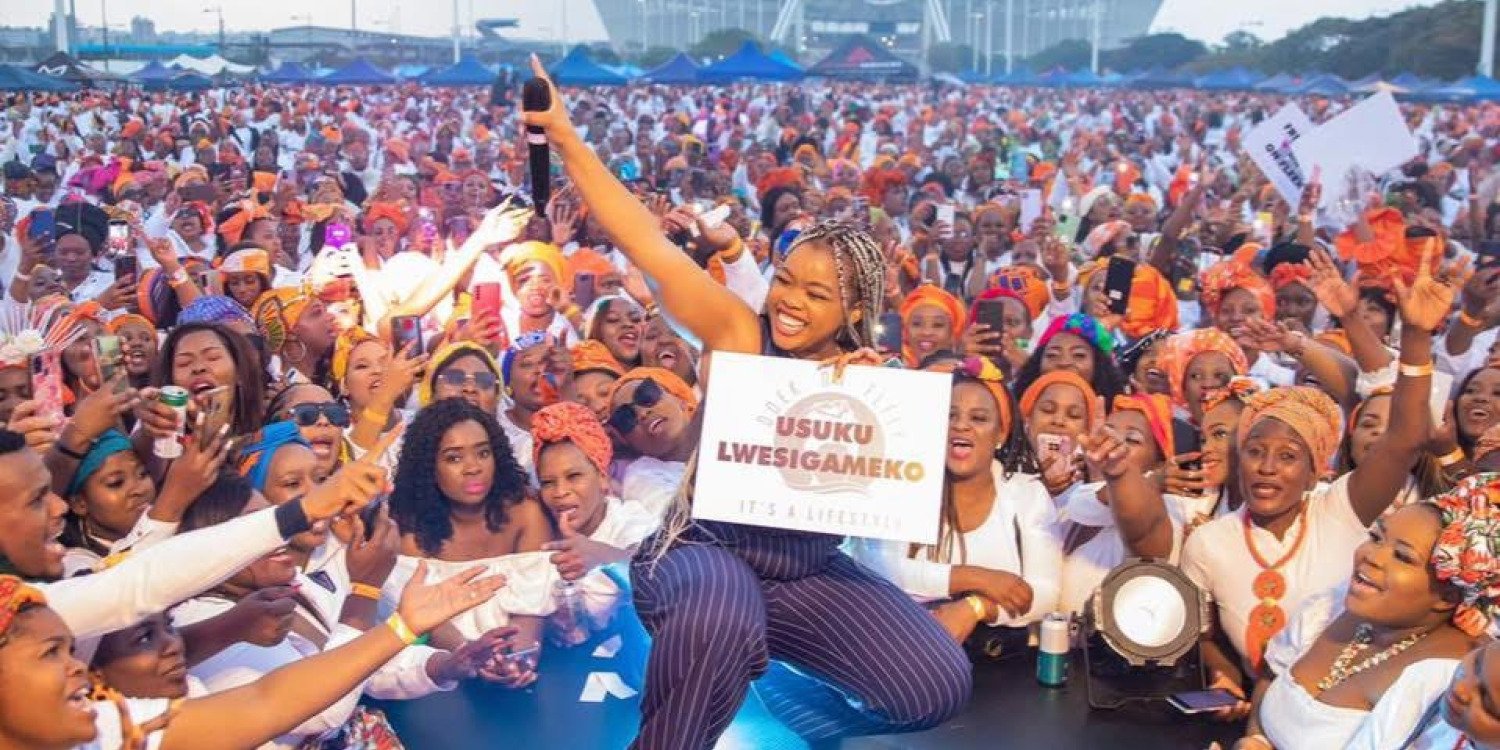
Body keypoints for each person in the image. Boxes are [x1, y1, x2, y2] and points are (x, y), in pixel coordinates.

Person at [523, 56, 970, 749]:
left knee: (936, 683)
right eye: (786, 279)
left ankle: (784, 697)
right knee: (722, 620)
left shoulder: (873, 380)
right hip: (701, 552)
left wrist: (873, 410)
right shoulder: (738, 332)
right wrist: (565, 136)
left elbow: (905, 500)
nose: (788, 301)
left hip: (805, 574)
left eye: (815, 295)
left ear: (855, 308)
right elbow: (643, 242)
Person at [0, 561, 504, 750]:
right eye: (49, 653)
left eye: (69, 650)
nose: (75, 671)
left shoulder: (110, 727)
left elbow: (266, 703)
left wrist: (402, 627)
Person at [1232, 473, 1500, 750]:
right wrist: (1255, 740)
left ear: (1448, 596)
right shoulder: (1331, 607)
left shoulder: (1448, 684)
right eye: (1376, 536)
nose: (1371, 555)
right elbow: (1270, 678)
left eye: (1403, 557)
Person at [388, 398, 553, 687]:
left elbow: (532, 604)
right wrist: (470, 656)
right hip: (440, 670)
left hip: (517, 660)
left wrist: (518, 659)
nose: (473, 468)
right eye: (454, 458)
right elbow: (429, 620)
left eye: (483, 453)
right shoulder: (409, 525)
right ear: (429, 467)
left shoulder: (526, 512)